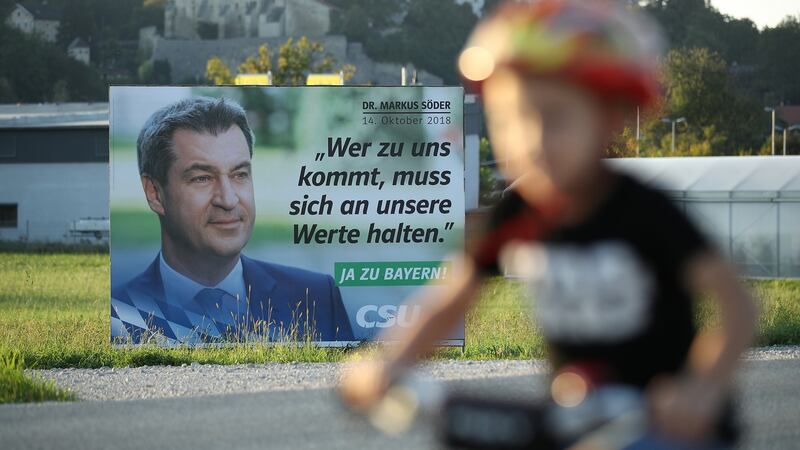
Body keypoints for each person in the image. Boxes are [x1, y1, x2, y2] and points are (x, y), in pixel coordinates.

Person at [338, 1, 757, 448]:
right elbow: (452, 297)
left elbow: (736, 307)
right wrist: (391, 362)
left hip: (665, 424)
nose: (531, 140)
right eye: (510, 119)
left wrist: (701, 388)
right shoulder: (517, 211)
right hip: (576, 418)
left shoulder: (644, 211)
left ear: (607, 118)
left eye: (554, 117)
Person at [112, 96, 353, 345]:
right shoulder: (118, 313)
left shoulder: (317, 296)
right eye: (201, 178)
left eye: (239, 174)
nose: (228, 199)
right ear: (155, 193)